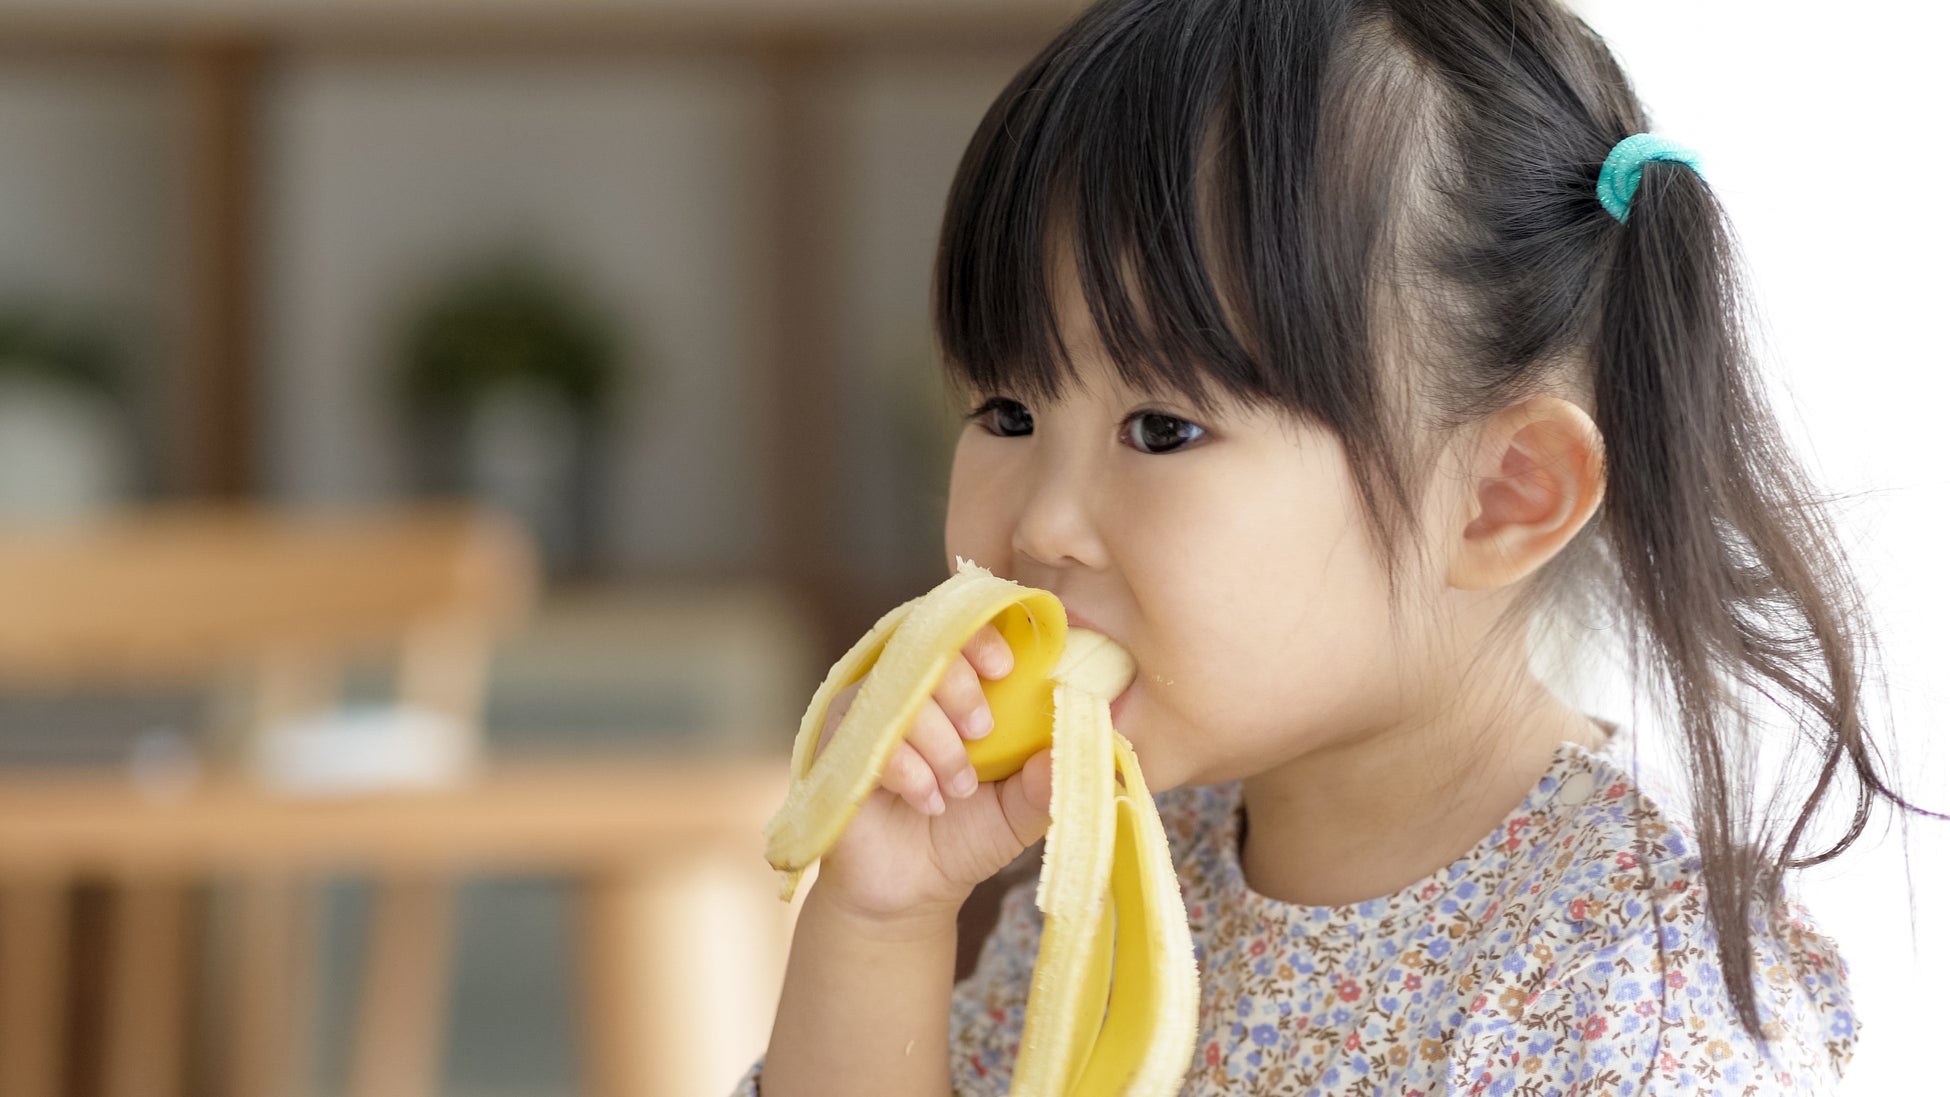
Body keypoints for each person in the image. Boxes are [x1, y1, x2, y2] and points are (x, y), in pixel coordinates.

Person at [732, 0, 1937, 1093]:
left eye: (1162, 427)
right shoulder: (1125, 866)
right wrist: (884, 915)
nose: (1039, 519)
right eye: (1006, 412)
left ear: (1500, 497)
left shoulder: (1629, 996)